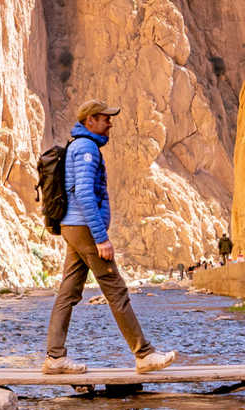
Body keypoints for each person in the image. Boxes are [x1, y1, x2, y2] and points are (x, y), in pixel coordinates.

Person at [42, 100, 177, 375]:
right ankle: (144, 354)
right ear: (90, 120)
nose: (110, 123)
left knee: (68, 292)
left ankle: (55, 358)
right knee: (116, 290)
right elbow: (84, 194)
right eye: (105, 118)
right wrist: (101, 238)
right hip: (83, 228)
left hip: (74, 227)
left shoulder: (80, 146)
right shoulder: (86, 148)